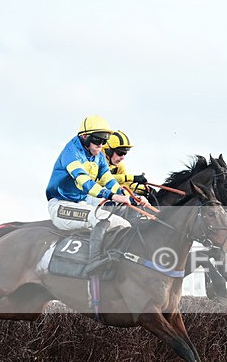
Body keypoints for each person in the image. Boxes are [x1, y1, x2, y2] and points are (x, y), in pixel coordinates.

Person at [45, 116, 134, 276]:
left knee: (121, 213)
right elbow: (84, 182)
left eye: (104, 141)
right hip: (61, 205)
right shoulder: (71, 153)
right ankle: (94, 263)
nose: (100, 145)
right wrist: (113, 196)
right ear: (84, 136)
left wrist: (126, 198)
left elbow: (107, 178)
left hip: (82, 200)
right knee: (102, 218)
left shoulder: (97, 154)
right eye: (97, 141)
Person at [102, 130, 149, 196]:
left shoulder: (119, 166)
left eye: (125, 153)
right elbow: (102, 180)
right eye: (120, 153)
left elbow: (125, 184)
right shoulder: (95, 161)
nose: (123, 157)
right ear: (108, 150)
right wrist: (132, 178)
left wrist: (143, 189)